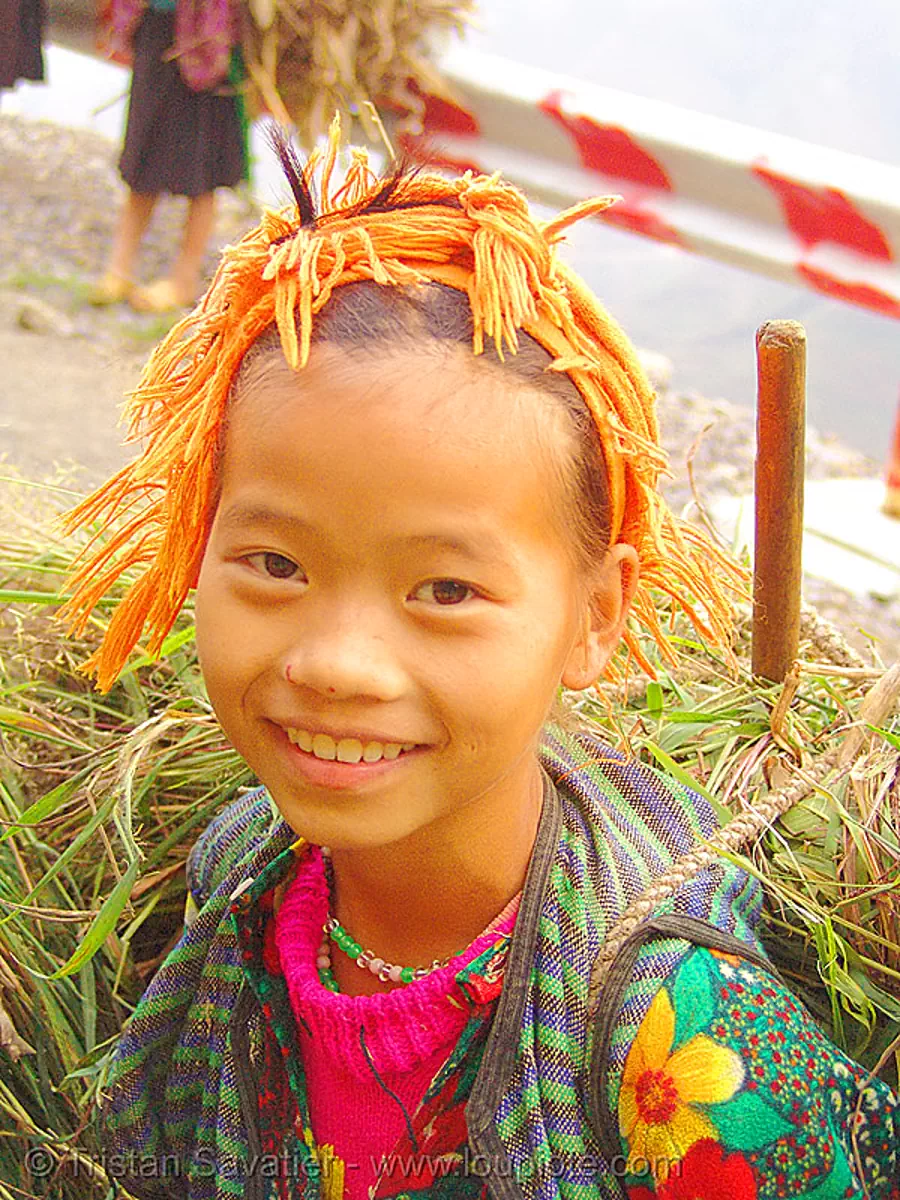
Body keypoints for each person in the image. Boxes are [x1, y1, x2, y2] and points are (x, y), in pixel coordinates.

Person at [60, 123, 899, 1199]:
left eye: (446, 591)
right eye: (274, 562)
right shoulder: (244, 873)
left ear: (596, 616)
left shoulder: (683, 1048)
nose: (338, 663)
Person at [89, 0, 247, 312]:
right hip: (156, 22)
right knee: (144, 149)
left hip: (208, 37)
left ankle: (184, 279)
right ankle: (119, 268)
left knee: (202, 165)